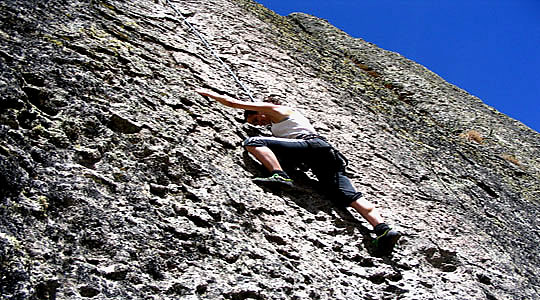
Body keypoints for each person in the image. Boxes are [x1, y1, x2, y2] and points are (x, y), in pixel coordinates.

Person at [196, 88, 400, 255]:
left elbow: (233, 103)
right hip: (324, 154)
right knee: (348, 196)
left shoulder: (276, 109)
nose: (259, 124)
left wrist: (210, 94)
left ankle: (279, 175)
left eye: (256, 120)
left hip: (310, 146)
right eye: (256, 124)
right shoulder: (279, 127)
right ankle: (383, 230)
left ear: (258, 111)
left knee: (253, 142)